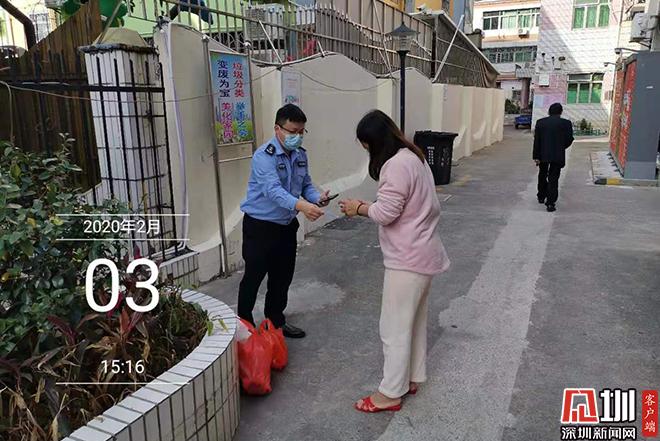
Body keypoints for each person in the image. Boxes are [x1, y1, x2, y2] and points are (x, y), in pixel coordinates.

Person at [339, 110, 450, 413]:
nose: (366, 150)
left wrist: (359, 207)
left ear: (374, 142)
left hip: (407, 260)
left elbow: (386, 213)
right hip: (422, 254)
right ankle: (410, 378)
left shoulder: (396, 165)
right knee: (412, 323)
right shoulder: (413, 157)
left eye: (365, 145)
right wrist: (367, 205)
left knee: (394, 328)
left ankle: (389, 394)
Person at [238, 104, 330, 339]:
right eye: (292, 131)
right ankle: (244, 328)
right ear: (277, 129)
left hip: (286, 227)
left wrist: (317, 198)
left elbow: (305, 184)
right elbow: (273, 191)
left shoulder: (300, 155)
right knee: (253, 277)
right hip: (260, 227)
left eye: (301, 132)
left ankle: (275, 322)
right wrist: (302, 206)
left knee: (282, 279)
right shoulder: (263, 156)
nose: (297, 136)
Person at [533, 103, 574, 212]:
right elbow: (569, 139)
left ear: (549, 111)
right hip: (557, 155)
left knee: (542, 174)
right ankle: (550, 203)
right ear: (561, 112)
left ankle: (541, 196)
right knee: (553, 178)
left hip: (543, 154)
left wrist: (536, 156)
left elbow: (537, 141)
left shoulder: (541, 122)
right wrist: (561, 147)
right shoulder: (566, 123)